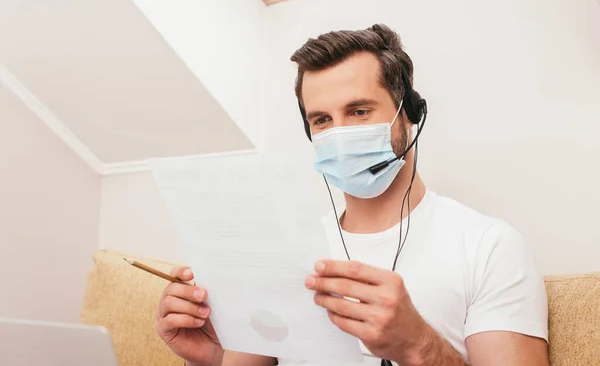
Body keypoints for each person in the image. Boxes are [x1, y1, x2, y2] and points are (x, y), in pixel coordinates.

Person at [156, 24, 549, 366]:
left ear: (409, 112)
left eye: (359, 111)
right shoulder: (286, 250)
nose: (340, 134)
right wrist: (206, 359)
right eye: (322, 120)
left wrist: (419, 347)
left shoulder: (489, 247)